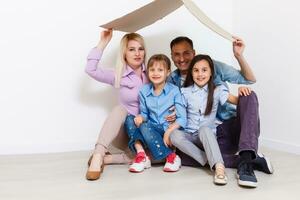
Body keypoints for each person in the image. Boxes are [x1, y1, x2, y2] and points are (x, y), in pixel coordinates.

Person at [168, 36, 273, 188]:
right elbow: (172, 107)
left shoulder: (214, 71)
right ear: (171, 56)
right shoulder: (174, 81)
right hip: (201, 138)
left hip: (225, 130)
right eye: (176, 54)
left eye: (186, 53)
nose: (182, 58)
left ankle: (246, 156)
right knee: (181, 157)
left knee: (249, 96)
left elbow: (249, 79)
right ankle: (248, 161)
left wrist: (238, 55)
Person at [171, 54, 248, 185]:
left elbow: (237, 101)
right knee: (174, 135)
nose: (200, 74)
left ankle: (219, 168)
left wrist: (242, 91)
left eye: (204, 70)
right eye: (196, 70)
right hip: (190, 136)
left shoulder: (218, 90)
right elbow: (180, 113)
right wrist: (173, 113)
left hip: (207, 136)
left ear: (211, 72)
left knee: (204, 129)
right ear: (191, 72)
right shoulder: (184, 92)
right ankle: (209, 160)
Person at [85, 29, 149, 180]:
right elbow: (90, 70)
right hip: (125, 133)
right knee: (119, 109)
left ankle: (108, 159)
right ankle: (98, 155)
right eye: (132, 49)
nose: (137, 53)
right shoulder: (118, 74)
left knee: (160, 156)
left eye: (140, 49)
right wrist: (103, 42)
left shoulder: (153, 72)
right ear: (124, 53)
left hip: (146, 133)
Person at [125, 54, 186, 173]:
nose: (155, 73)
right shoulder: (144, 90)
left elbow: (182, 118)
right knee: (130, 119)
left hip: (167, 128)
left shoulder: (174, 90)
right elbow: (145, 114)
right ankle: (142, 155)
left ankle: (171, 156)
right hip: (151, 128)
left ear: (168, 72)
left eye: (160, 70)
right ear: (148, 72)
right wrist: (140, 117)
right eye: (152, 70)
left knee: (145, 126)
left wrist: (168, 132)